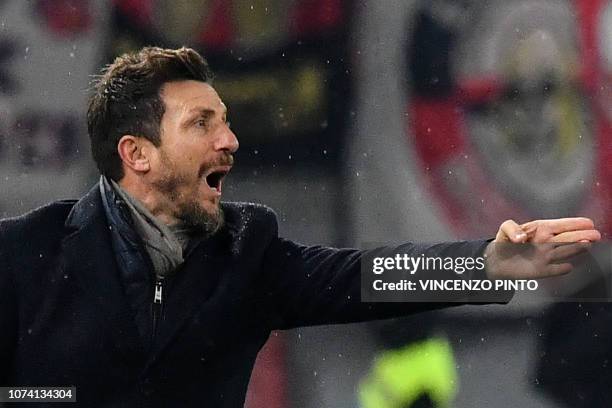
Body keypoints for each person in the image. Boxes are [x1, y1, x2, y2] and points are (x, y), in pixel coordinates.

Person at [0, 47, 601, 407]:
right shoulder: (21, 256)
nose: (229, 141)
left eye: (226, 121)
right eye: (202, 124)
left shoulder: (245, 254)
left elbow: (367, 276)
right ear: (137, 154)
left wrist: (488, 264)